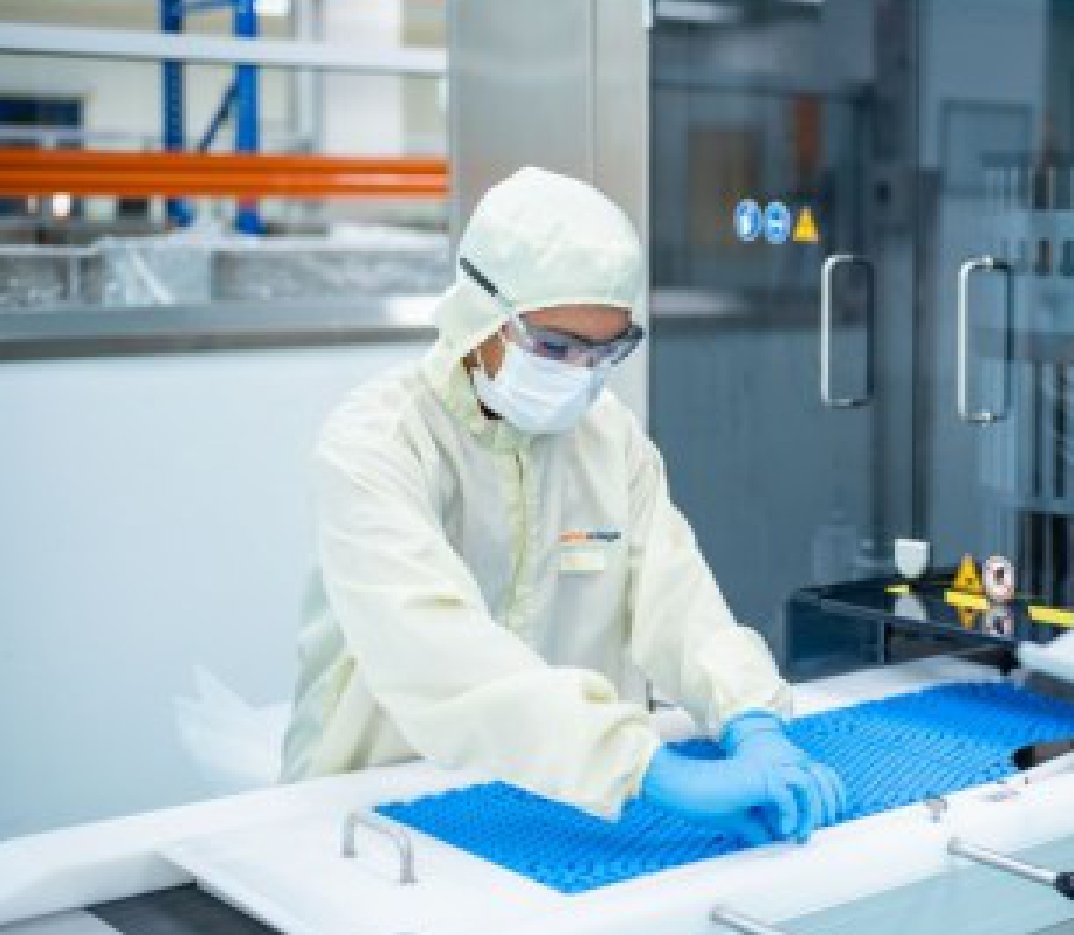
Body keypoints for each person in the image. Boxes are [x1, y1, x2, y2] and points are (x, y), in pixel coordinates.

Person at [282, 167, 844, 845]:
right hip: (382, 804)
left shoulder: (609, 437)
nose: (579, 373)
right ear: (478, 316)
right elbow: (436, 646)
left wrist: (749, 713)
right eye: (553, 347)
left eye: (606, 350)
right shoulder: (378, 443)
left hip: (564, 802)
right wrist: (648, 768)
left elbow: (679, 601)